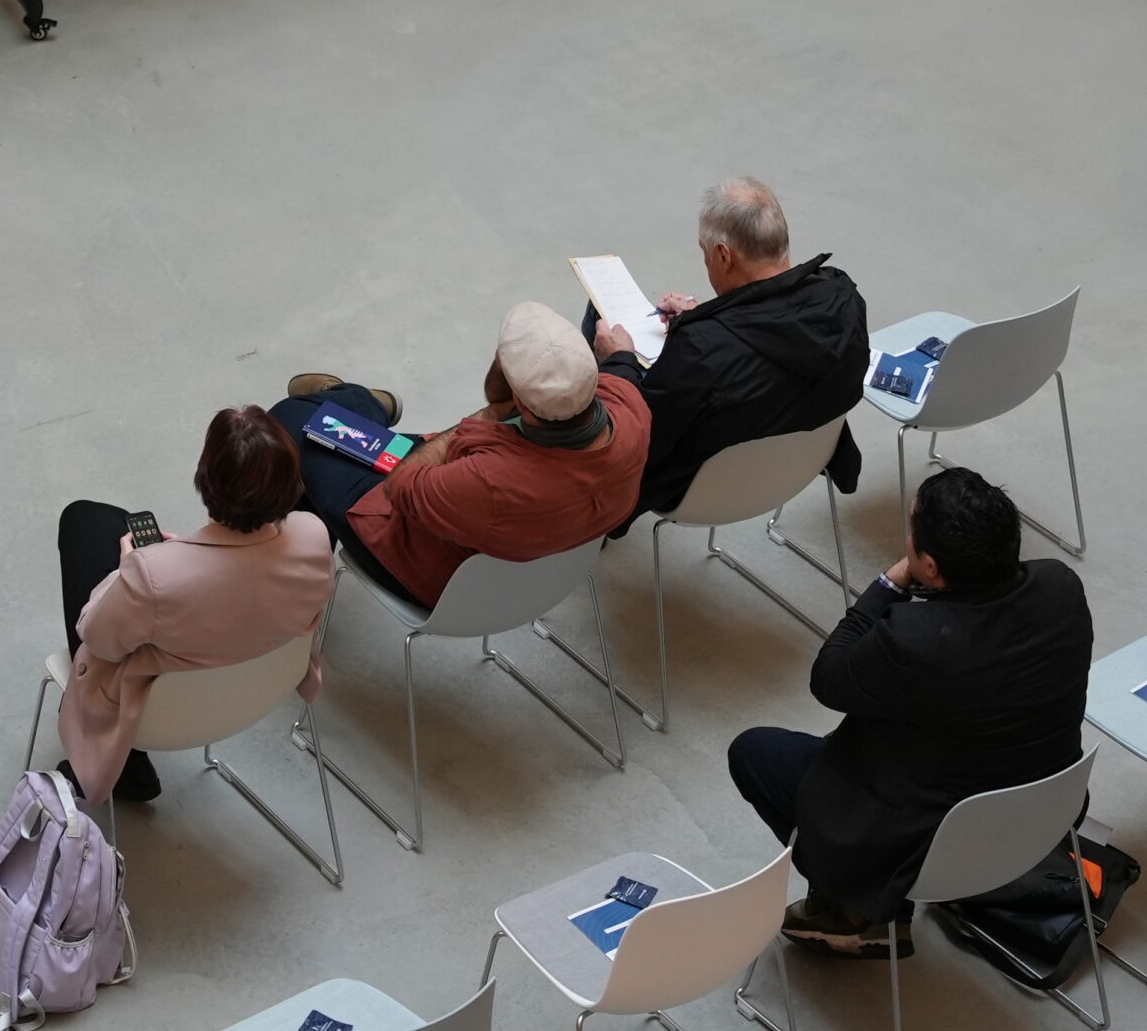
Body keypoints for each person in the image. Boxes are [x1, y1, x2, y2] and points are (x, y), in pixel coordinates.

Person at [726, 467, 1091, 959]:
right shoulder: (1062, 586)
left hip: (937, 849)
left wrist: (890, 581)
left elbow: (829, 678)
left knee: (754, 753)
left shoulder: (915, 640)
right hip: (1040, 816)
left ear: (931, 567)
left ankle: (853, 911)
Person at [271, 301, 650, 609]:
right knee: (339, 432)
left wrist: (488, 414)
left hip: (424, 569)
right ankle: (351, 401)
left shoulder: (488, 480)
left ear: (517, 397)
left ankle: (354, 399)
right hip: (542, 575)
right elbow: (623, 372)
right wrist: (621, 354)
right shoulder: (632, 413)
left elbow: (400, 484)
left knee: (292, 421)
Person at [52, 406, 338, 804]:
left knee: (85, 519)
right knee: (105, 523)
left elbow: (97, 638)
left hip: (157, 718)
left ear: (206, 479)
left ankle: (126, 766)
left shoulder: (154, 575)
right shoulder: (314, 536)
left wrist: (128, 569)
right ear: (292, 484)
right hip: (261, 691)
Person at [583, 178, 868, 532]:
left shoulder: (701, 352)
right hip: (792, 470)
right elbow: (769, 339)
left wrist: (618, 362)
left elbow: (639, 441)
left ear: (723, 255)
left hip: (697, 489)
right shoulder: (843, 299)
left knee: (600, 321)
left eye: (705, 255)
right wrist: (706, 319)